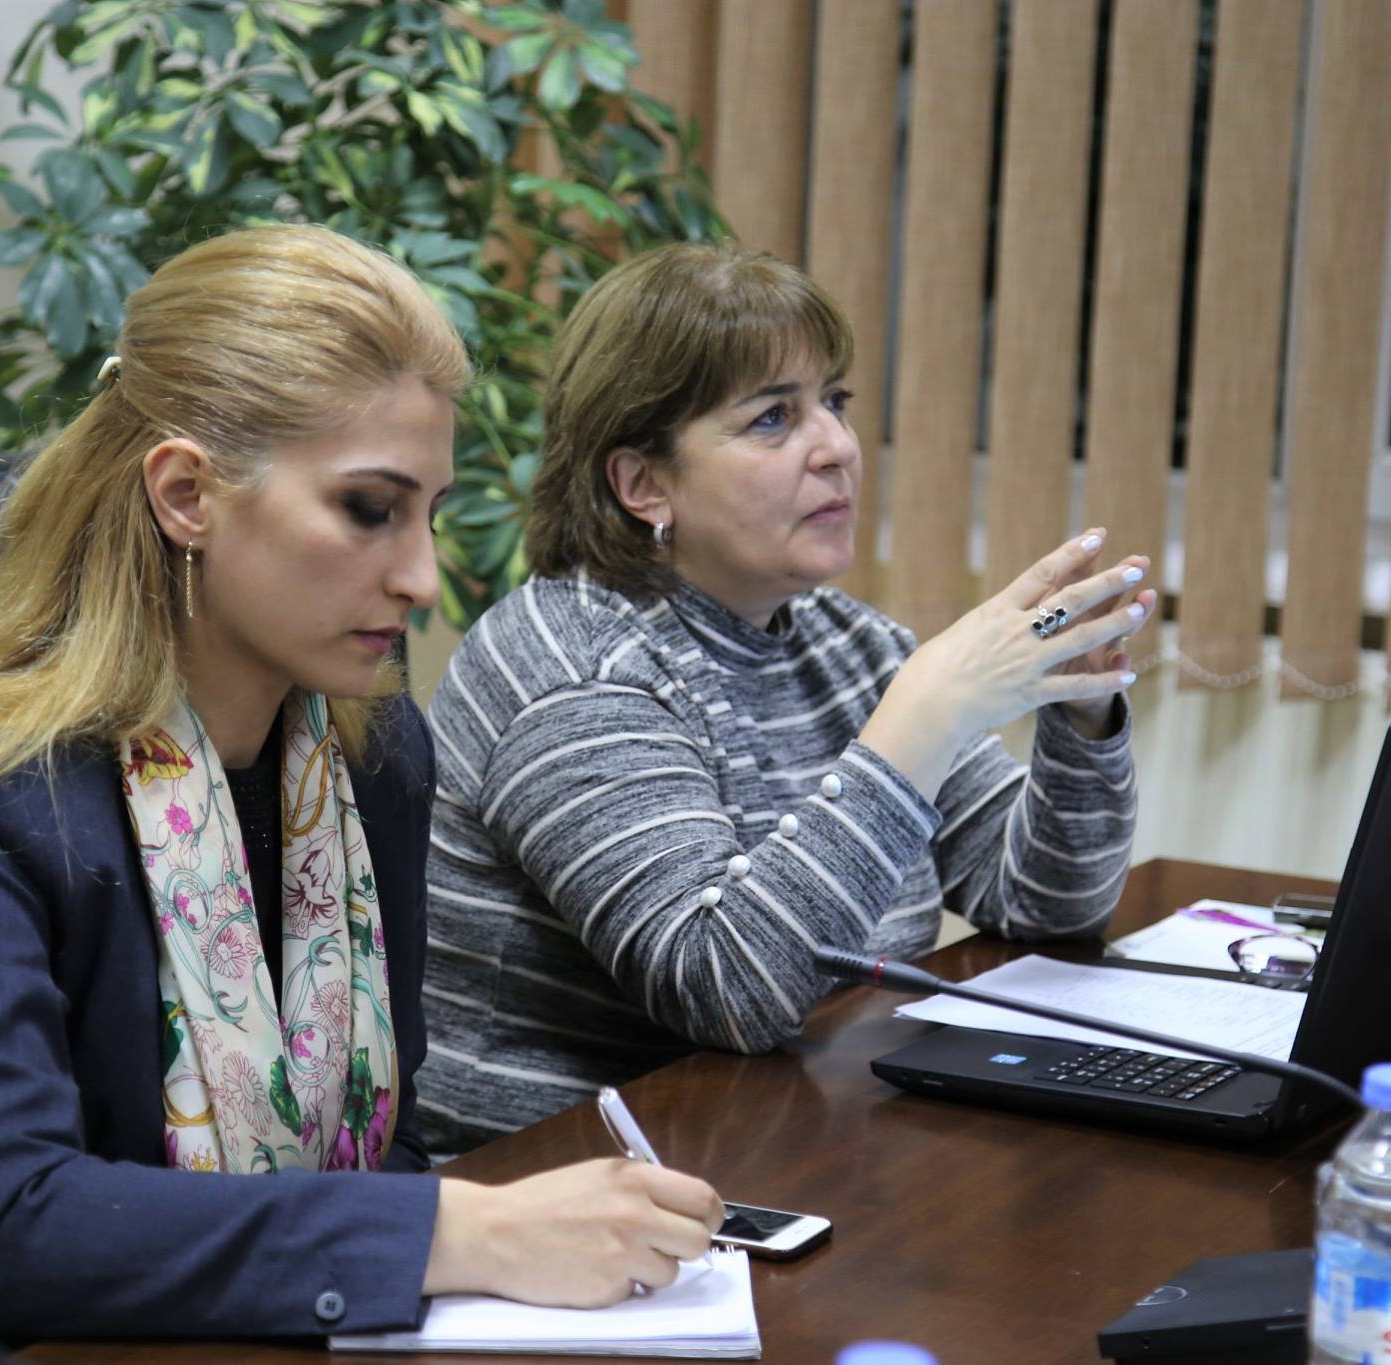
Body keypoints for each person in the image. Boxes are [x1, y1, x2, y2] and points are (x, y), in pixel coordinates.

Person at [0, 225, 721, 1361]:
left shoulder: (375, 759)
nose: (420, 575)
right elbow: (8, 1223)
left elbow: (380, 1140)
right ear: (187, 494)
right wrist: (458, 1232)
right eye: (369, 508)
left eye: (430, 513)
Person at [418, 241, 1153, 1155]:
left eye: (833, 402)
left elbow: (1044, 906)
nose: (838, 447)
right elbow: (729, 991)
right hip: (551, 1183)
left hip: (787, 1144)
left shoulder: (848, 643)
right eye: (772, 418)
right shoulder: (573, 670)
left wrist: (1081, 711)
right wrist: (928, 710)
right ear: (644, 483)